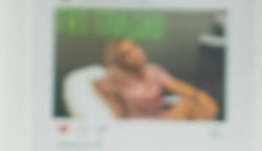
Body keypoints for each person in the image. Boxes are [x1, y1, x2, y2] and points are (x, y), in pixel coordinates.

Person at [89, 36, 218, 121]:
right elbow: (97, 85)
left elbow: (176, 85)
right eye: (127, 53)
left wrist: (200, 95)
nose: (136, 52)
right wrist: (113, 103)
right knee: (194, 104)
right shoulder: (116, 78)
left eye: (135, 46)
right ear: (120, 61)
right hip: (142, 127)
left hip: (161, 117)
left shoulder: (153, 70)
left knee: (199, 101)